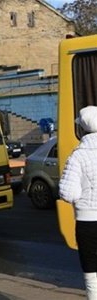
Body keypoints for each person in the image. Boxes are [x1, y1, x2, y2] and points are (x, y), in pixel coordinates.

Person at [59, 105, 97, 300]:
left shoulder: (77, 156)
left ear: (81, 129)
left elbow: (68, 193)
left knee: (91, 274)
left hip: (87, 223)